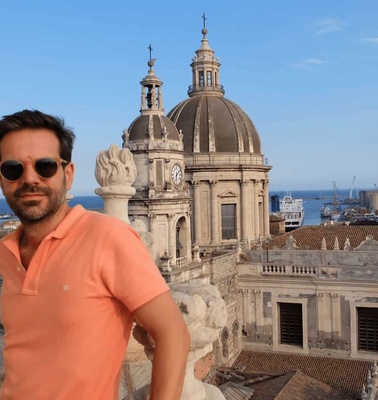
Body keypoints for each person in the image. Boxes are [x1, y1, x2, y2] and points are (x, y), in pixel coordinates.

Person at [0, 110, 190, 400]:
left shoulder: (108, 238)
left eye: (45, 166)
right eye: (13, 169)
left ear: (68, 174)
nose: (29, 179)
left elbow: (173, 334)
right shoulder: (6, 252)